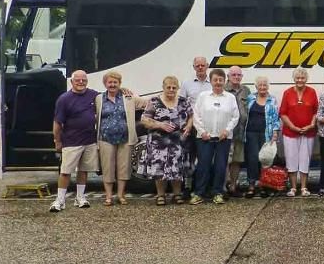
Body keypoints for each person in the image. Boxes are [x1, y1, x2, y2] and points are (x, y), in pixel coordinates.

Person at [95, 70, 148, 206]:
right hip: (105, 138)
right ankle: (108, 196)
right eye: (110, 82)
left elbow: (148, 103)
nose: (112, 85)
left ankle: (120, 195)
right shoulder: (99, 99)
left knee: (123, 168)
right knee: (107, 168)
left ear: (120, 84)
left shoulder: (128, 97)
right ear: (105, 84)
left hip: (125, 137)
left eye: (115, 82)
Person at [138, 75, 194, 205]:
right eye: (168, 87)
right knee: (159, 169)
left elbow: (191, 115)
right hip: (159, 142)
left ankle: (177, 194)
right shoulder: (154, 101)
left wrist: (189, 126)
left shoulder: (183, 101)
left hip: (178, 142)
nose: (171, 90)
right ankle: (160, 195)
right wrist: (160, 125)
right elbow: (144, 120)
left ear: (178, 88)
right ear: (163, 87)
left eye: (174, 87)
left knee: (177, 168)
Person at [50, 70, 99, 212]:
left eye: (83, 80)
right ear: (72, 82)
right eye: (77, 80)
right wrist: (57, 141)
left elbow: (110, 93)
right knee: (65, 172)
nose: (81, 82)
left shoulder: (93, 95)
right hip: (71, 141)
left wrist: (125, 90)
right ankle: (60, 200)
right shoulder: (64, 99)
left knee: (83, 170)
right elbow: (57, 123)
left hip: (89, 140)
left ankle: (80, 198)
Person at [192, 68, 240, 205]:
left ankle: (218, 193)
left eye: (221, 80)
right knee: (203, 165)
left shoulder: (230, 98)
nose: (218, 82)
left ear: (224, 81)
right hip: (204, 138)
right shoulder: (203, 96)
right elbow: (196, 115)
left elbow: (235, 117)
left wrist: (227, 131)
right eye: (215, 80)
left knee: (220, 166)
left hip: (223, 138)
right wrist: (202, 132)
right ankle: (199, 193)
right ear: (211, 81)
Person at [280, 67, 319, 196]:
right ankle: (293, 188)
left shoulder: (312, 92)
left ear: (306, 79)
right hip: (290, 132)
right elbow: (283, 113)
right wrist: (293, 127)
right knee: (291, 159)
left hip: (308, 132)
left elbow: (315, 112)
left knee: (305, 159)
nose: (300, 80)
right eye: (297, 78)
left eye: (302, 78)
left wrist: (311, 125)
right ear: (294, 79)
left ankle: (303, 188)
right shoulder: (287, 93)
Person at [243, 75, 280, 198]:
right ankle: (252, 185)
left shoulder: (272, 99)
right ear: (256, 86)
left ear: (268, 86)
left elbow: (276, 118)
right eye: (260, 85)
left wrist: (275, 133)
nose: (262, 87)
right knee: (252, 159)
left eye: (265, 85)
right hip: (250, 133)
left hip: (266, 133)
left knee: (265, 160)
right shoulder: (250, 98)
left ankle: (264, 186)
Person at [225, 66, 251, 196]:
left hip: (241, 132)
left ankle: (233, 187)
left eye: (238, 75)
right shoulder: (223, 90)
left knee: (237, 160)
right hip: (226, 132)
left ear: (242, 77)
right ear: (228, 76)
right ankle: (223, 187)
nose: (236, 77)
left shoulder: (246, 90)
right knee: (225, 161)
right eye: (233, 74)